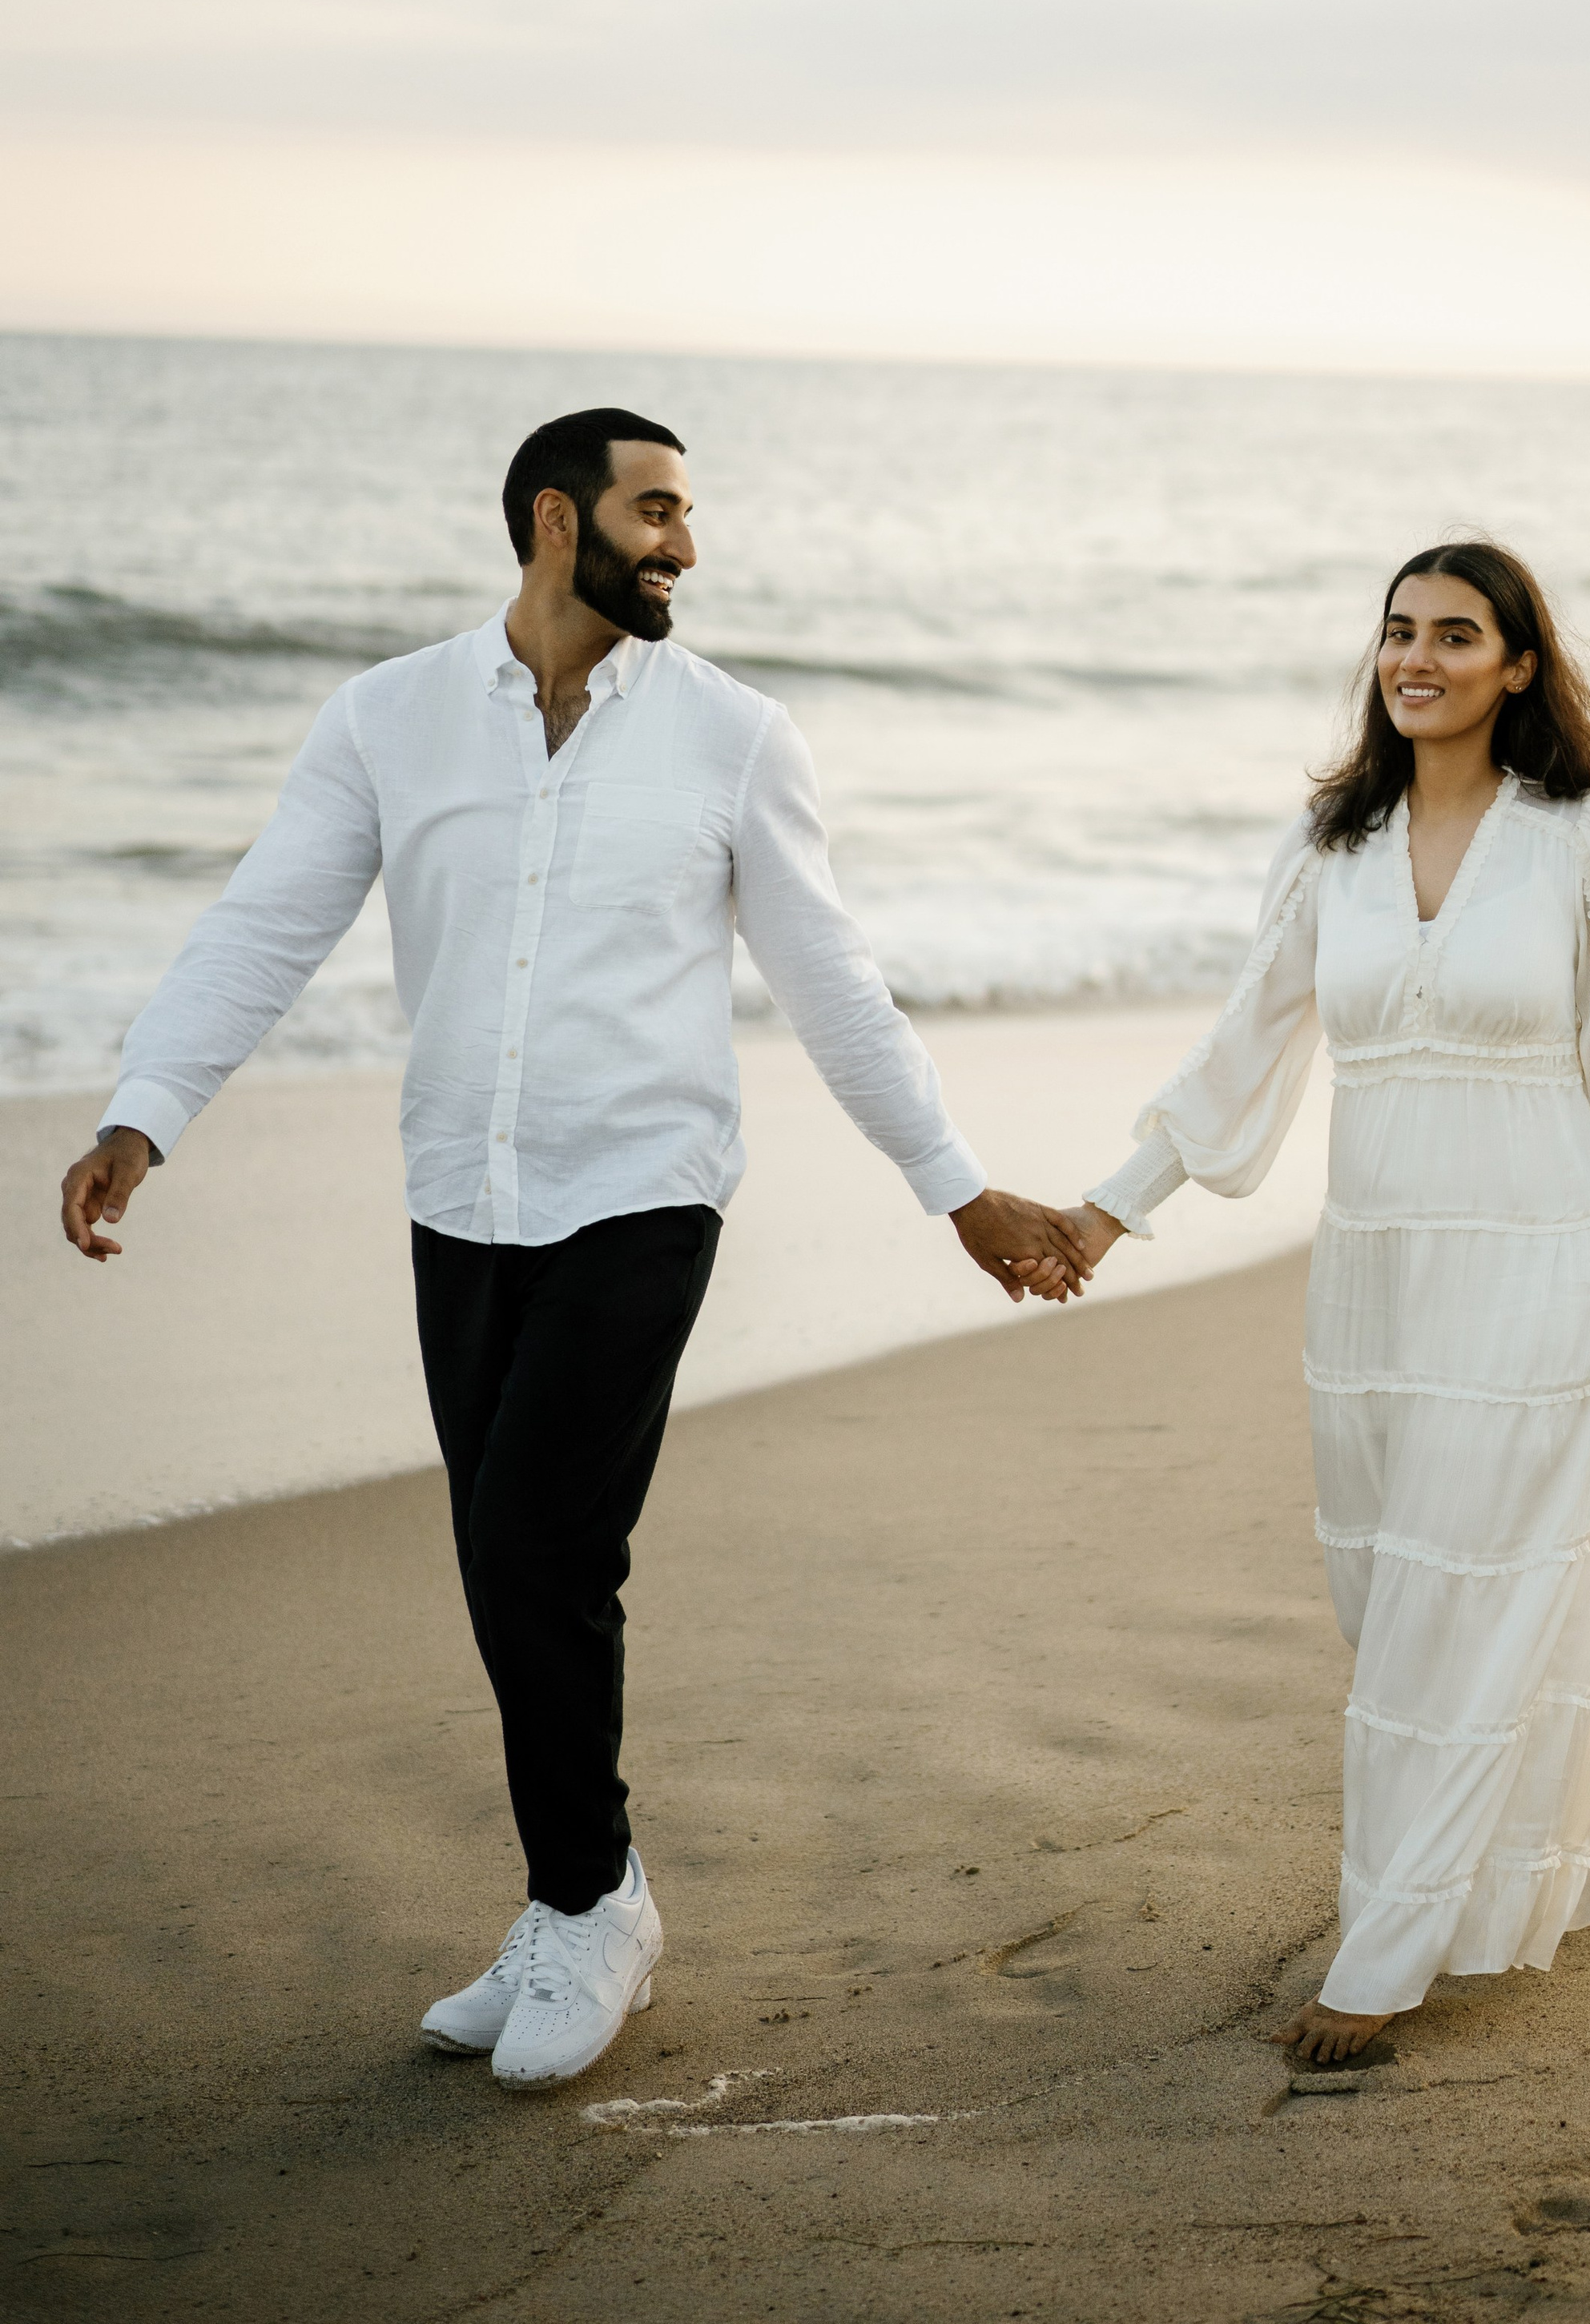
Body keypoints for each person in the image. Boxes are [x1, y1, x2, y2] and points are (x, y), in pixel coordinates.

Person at [58, 407, 1089, 2090]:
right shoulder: (388, 718)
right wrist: (145, 1111)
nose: (685, 544)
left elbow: (830, 980)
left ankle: (590, 1906)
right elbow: (268, 922)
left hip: (643, 1192)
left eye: (687, 513)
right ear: (557, 519)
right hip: (459, 1199)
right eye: (656, 510)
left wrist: (955, 1187)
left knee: (541, 1545)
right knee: (505, 1563)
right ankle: (572, 1902)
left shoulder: (733, 737)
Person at [1063, 540, 1590, 2065]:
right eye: (1398, 632)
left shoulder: (1583, 835)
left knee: (1468, 1595)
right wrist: (1106, 1213)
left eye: (1455, 634)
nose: (1417, 658)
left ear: (1518, 665)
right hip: (1378, 1279)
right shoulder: (1333, 842)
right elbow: (1247, 1045)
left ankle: (1391, 1945)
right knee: (1398, 1594)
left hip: (1545, 1259)